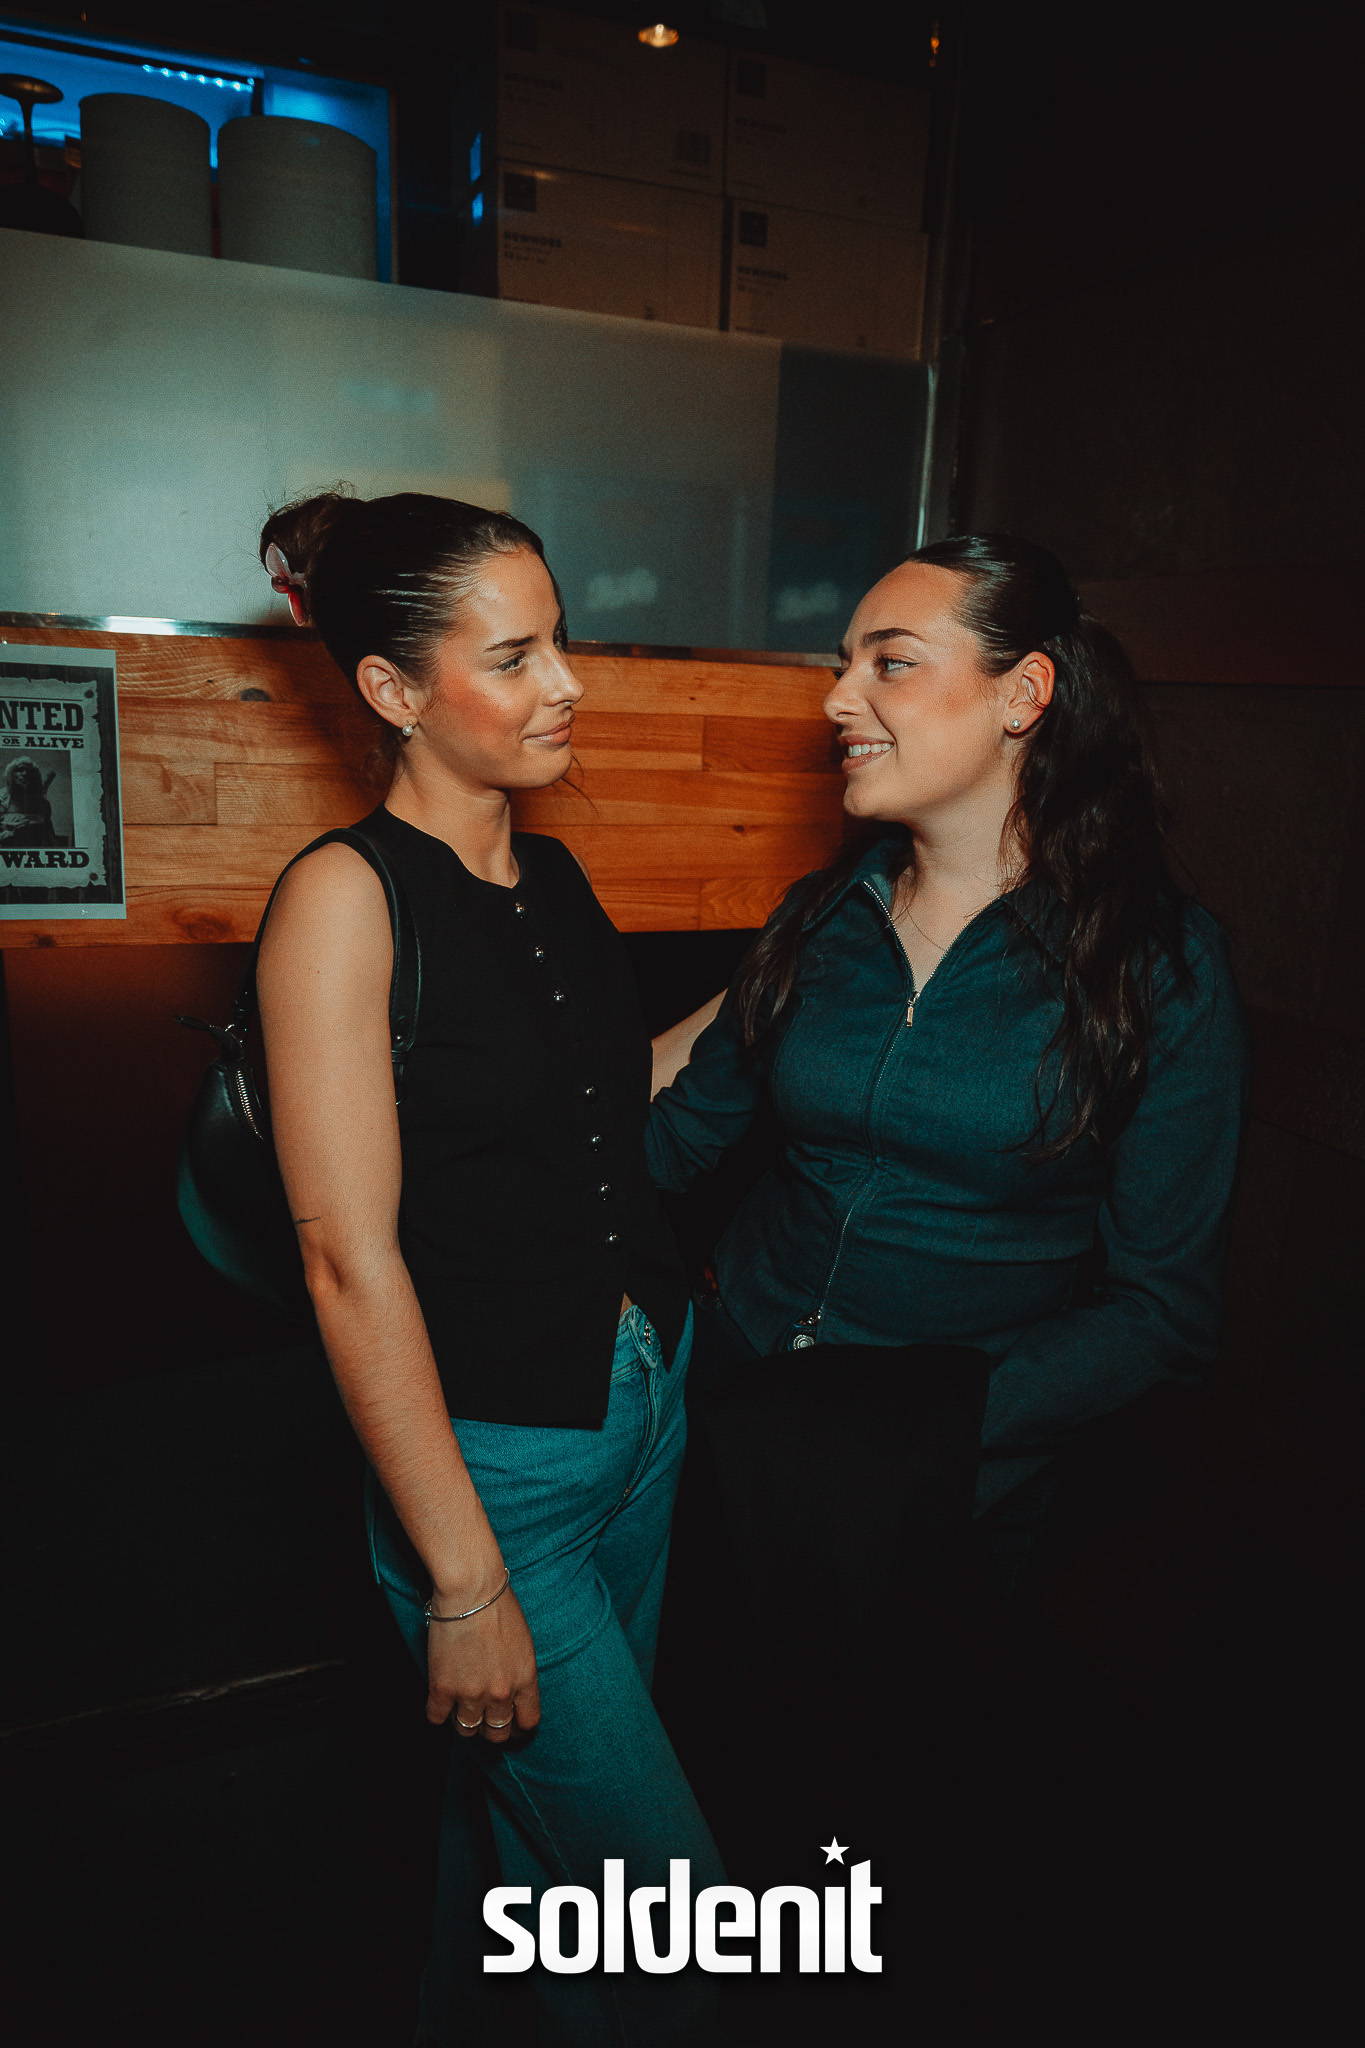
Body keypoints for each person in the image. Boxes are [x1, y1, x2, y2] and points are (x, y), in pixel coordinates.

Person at [253, 489, 724, 2048]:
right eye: (513, 657)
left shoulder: (557, 881)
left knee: (522, 1862)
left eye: (558, 641)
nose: (565, 683)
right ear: (393, 689)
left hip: (638, 1412)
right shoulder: (344, 898)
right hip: (494, 1481)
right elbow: (345, 1258)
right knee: (667, 1920)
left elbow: (600, 1104)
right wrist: (462, 1581)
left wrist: (778, 980)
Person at [648, 531, 1249, 1580]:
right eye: (844, 663)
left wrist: (941, 1423)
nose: (838, 697)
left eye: (890, 662)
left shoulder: (1156, 964)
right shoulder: (823, 916)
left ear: (1022, 695)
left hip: (934, 1472)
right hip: (725, 1401)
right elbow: (680, 1134)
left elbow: (1161, 1313)